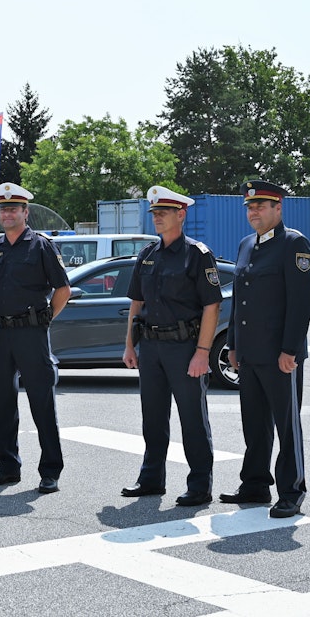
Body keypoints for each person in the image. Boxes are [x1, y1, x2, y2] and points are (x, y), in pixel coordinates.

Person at [120, 185, 221, 506]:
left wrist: (202, 353)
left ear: (181, 214)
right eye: (155, 213)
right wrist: (130, 346)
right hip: (150, 347)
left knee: (192, 419)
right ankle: (151, 479)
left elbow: (212, 306)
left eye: (163, 213)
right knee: (152, 417)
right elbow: (136, 304)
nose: (157, 218)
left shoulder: (197, 255)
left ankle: (200, 485)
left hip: (184, 347)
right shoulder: (147, 255)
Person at [220, 180, 310, 518]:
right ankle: (255, 483)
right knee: (254, 423)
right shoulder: (246, 244)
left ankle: (292, 491)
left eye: (260, 206)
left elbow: (302, 301)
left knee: (286, 426)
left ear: (278, 207)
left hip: (280, 355)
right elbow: (239, 299)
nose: (253, 212)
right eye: (249, 207)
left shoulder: (293, 243)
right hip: (249, 353)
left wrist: (290, 349)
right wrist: (233, 344)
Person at [0, 183, 71, 493]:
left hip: (32, 334)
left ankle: (50, 470)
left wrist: (43, 318)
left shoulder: (41, 246)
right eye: (3, 209)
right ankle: (7, 466)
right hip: (1, 334)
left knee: (41, 403)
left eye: (13, 209)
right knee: (3, 403)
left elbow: (63, 289)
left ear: (25, 212)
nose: (7, 214)